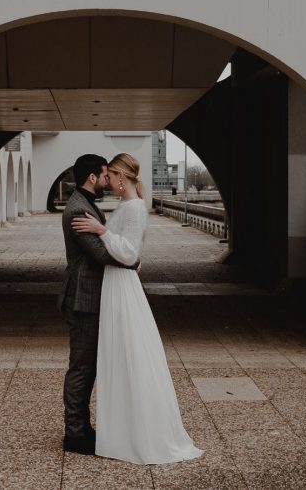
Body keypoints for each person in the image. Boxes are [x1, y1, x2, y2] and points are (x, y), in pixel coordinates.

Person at [71, 152, 203, 465]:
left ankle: (134, 431)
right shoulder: (128, 206)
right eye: (106, 175)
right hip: (116, 284)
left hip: (120, 284)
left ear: (121, 176)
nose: (108, 180)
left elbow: (128, 253)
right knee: (121, 356)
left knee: (128, 355)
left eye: (111, 175)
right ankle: (124, 429)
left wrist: (102, 231)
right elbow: (129, 251)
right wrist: (110, 236)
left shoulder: (132, 207)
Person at [57, 153, 138, 455]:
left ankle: (82, 427)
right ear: (91, 177)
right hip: (83, 297)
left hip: (90, 295)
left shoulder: (85, 203)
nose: (108, 180)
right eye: (105, 175)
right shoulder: (78, 210)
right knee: (81, 366)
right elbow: (100, 255)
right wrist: (133, 260)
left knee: (88, 366)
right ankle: (75, 434)